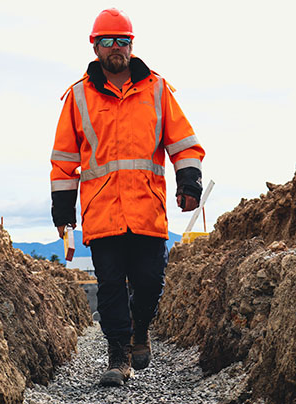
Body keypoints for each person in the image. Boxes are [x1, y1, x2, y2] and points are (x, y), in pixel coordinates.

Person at [50, 8, 205, 387]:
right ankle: (118, 355)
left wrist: (188, 182)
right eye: (108, 41)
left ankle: (140, 329)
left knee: (150, 282)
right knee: (110, 288)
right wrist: (62, 208)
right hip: (101, 212)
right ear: (95, 46)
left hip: (147, 210)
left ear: (132, 46)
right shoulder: (78, 97)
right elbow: (64, 159)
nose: (116, 47)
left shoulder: (156, 89)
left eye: (123, 40)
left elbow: (184, 143)